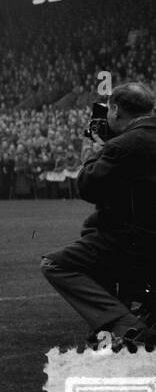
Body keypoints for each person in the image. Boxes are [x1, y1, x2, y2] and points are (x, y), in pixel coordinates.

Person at [41, 82, 156, 348]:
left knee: (56, 264)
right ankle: (139, 310)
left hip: (136, 241)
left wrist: (94, 148)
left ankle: (125, 324)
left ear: (114, 110)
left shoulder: (125, 144)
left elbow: (88, 187)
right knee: (94, 229)